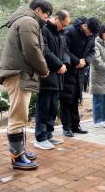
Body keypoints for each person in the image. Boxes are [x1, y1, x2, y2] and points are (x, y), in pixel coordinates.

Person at [0, 0, 52, 170]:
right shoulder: (29, 21)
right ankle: (17, 157)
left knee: (21, 115)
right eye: (46, 14)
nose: (47, 19)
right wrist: (44, 69)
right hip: (19, 74)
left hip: (19, 73)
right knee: (17, 116)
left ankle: (21, 151)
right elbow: (32, 50)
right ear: (38, 10)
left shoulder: (25, 20)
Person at [34, 10, 70, 150]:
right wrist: (58, 65)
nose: (65, 27)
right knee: (44, 107)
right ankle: (40, 137)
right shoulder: (44, 30)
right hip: (47, 75)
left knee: (53, 108)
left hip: (59, 76)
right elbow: (45, 51)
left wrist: (65, 65)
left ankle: (48, 134)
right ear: (56, 19)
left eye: (67, 25)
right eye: (63, 24)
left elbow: (66, 51)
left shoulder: (61, 34)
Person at [60, 16, 100, 137]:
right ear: (85, 26)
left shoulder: (91, 35)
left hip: (80, 72)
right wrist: (77, 61)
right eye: (90, 32)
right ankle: (66, 127)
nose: (90, 35)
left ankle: (75, 125)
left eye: (93, 33)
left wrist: (85, 61)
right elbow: (64, 50)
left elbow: (92, 52)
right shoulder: (70, 31)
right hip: (68, 70)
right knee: (66, 100)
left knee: (76, 99)